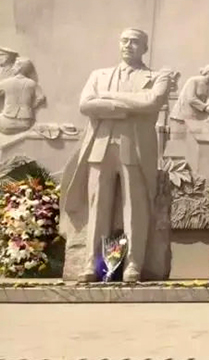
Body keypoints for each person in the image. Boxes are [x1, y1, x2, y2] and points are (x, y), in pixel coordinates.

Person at [60, 28, 174, 282]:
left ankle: (133, 264)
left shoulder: (157, 77)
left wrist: (107, 98)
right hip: (100, 148)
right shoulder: (99, 75)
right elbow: (86, 104)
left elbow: (151, 102)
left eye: (135, 42)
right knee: (97, 208)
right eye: (124, 41)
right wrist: (122, 108)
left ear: (144, 48)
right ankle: (93, 264)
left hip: (134, 148)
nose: (128, 45)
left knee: (135, 208)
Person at [0, 58, 45, 134]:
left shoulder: (6, 82)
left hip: (7, 121)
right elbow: (41, 97)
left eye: (14, 66)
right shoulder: (32, 83)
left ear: (19, 68)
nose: (12, 68)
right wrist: (31, 107)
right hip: (26, 122)